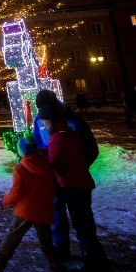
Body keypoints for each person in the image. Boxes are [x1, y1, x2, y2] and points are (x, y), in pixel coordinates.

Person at [43, 102, 120, 272]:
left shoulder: (57, 139)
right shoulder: (70, 133)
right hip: (82, 185)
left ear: (51, 121)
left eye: (44, 122)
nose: (43, 125)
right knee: (85, 228)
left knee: (84, 229)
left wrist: (39, 165)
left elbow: (55, 164)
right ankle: (92, 264)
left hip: (73, 187)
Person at [0, 137, 73, 272]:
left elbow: (16, 192)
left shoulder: (21, 168)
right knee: (47, 245)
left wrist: (4, 201)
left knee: (12, 238)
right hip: (44, 210)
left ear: (21, 152)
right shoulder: (46, 164)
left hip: (25, 211)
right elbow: (58, 181)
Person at [32, 89, 98, 261]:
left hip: (73, 180)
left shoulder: (72, 122)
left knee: (82, 220)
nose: (43, 120)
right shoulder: (40, 119)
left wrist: (76, 167)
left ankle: (92, 257)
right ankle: (62, 249)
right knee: (57, 213)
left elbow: (90, 149)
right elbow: (39, 142)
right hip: (55, 178)